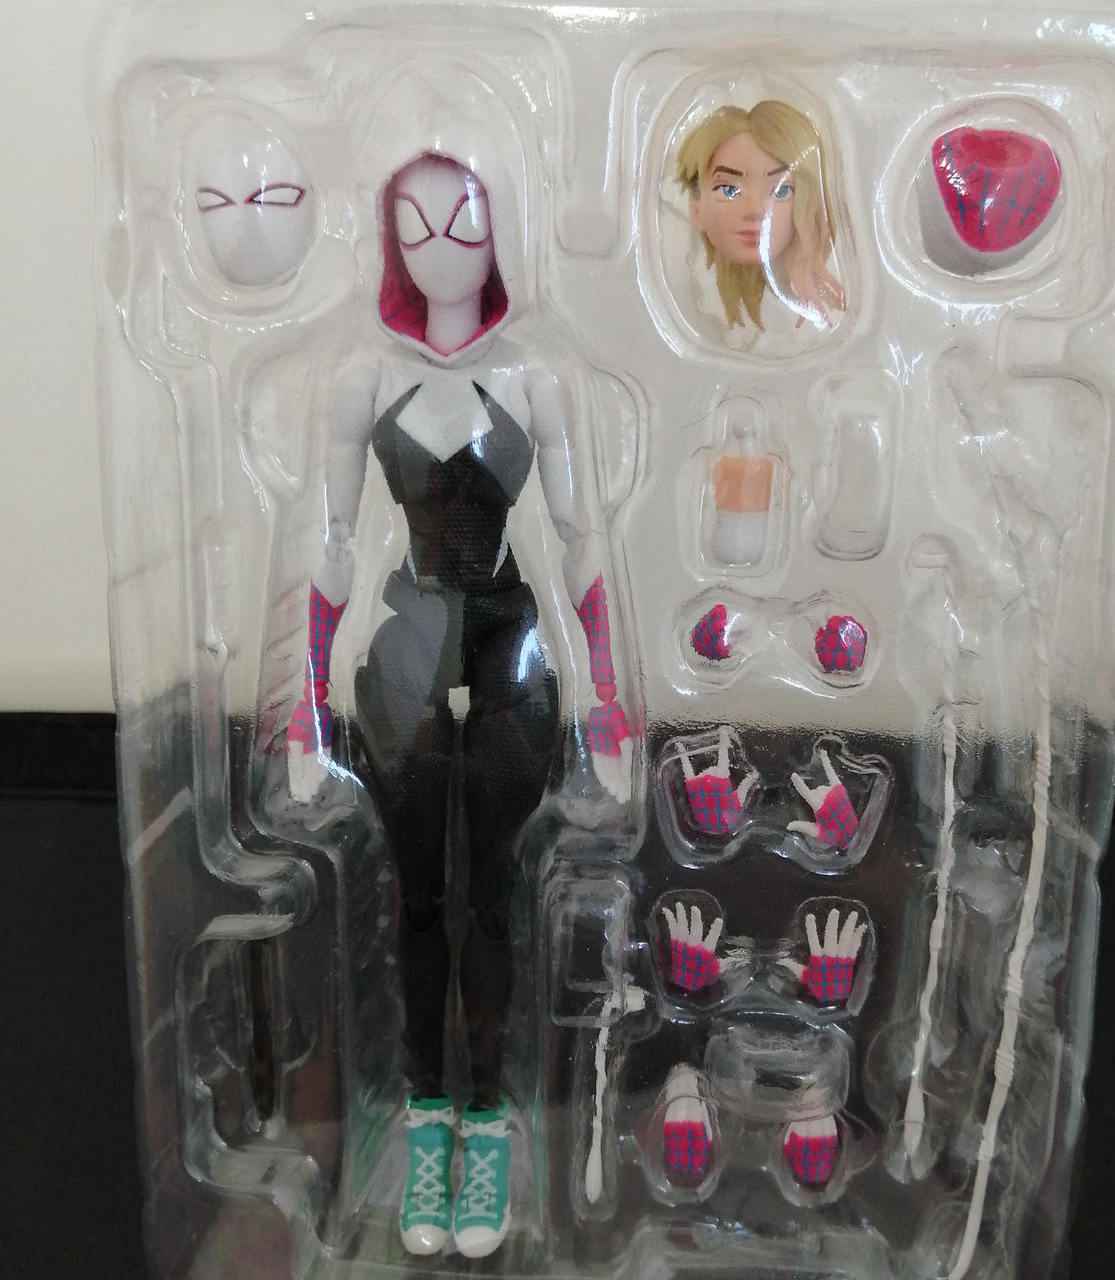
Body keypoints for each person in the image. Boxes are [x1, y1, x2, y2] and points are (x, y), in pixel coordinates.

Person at [285, 149, 632, 1259]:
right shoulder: (363, 379)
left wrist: (610, 702)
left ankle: (486, 1122)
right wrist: (303, 704)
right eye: (418, 228)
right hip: (404, 640)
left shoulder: (533, 381)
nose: (442, 246)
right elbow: (329, 544)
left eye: (464, 223)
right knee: (415, 897)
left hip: (511, 637)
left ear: (499, 233)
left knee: (492, 895)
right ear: (391, 243)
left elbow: (582, 538)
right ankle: (424, 1108)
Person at [675, 99, 845, 332]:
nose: (756, 211)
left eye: (780, 191)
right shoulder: (684, 294)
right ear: (696, 211)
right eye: (729, 190)